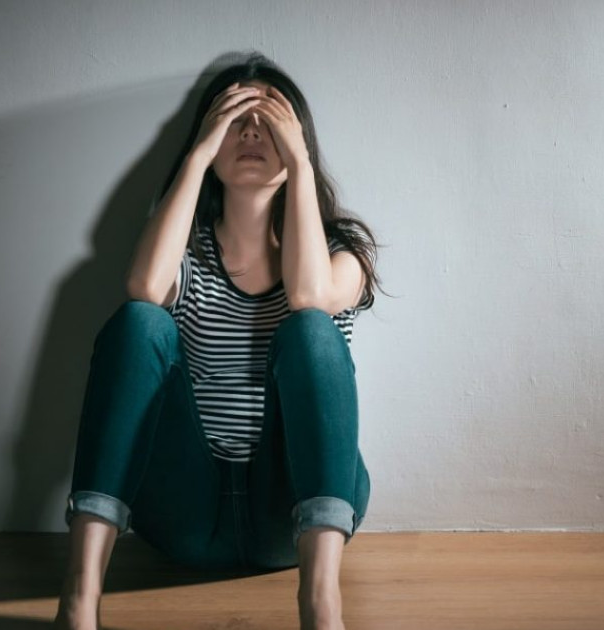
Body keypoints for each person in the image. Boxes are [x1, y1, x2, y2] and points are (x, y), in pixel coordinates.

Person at [53, 52, 386, 630]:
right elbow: (144, 286)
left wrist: (300, 165)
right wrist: (198, 155)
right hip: (186, 511)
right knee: (140, 321)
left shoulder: (342, 256)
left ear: (297, 138)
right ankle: (79, 602)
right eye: (235, 120)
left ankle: (321, 607)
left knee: (310, 327)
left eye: (269, 121)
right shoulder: (188, 256)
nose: (252, 132)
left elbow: (308, 296)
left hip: (290, 515)